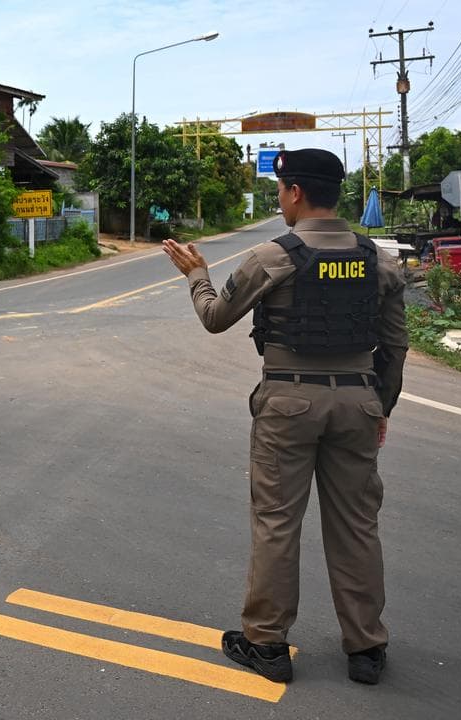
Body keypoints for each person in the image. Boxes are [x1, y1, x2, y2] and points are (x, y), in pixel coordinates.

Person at [162, 148, 407, 686]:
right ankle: (366, 648)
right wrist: (380, 409)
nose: (280, 199)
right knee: (358, 525)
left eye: (280, 191)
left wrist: (197, 274)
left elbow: (214, 317)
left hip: (288, 404)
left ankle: (267, 644)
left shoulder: (273, 257)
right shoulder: (379, 261)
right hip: (359, 401)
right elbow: (395, 346)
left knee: (277, 522)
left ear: (295, 192)